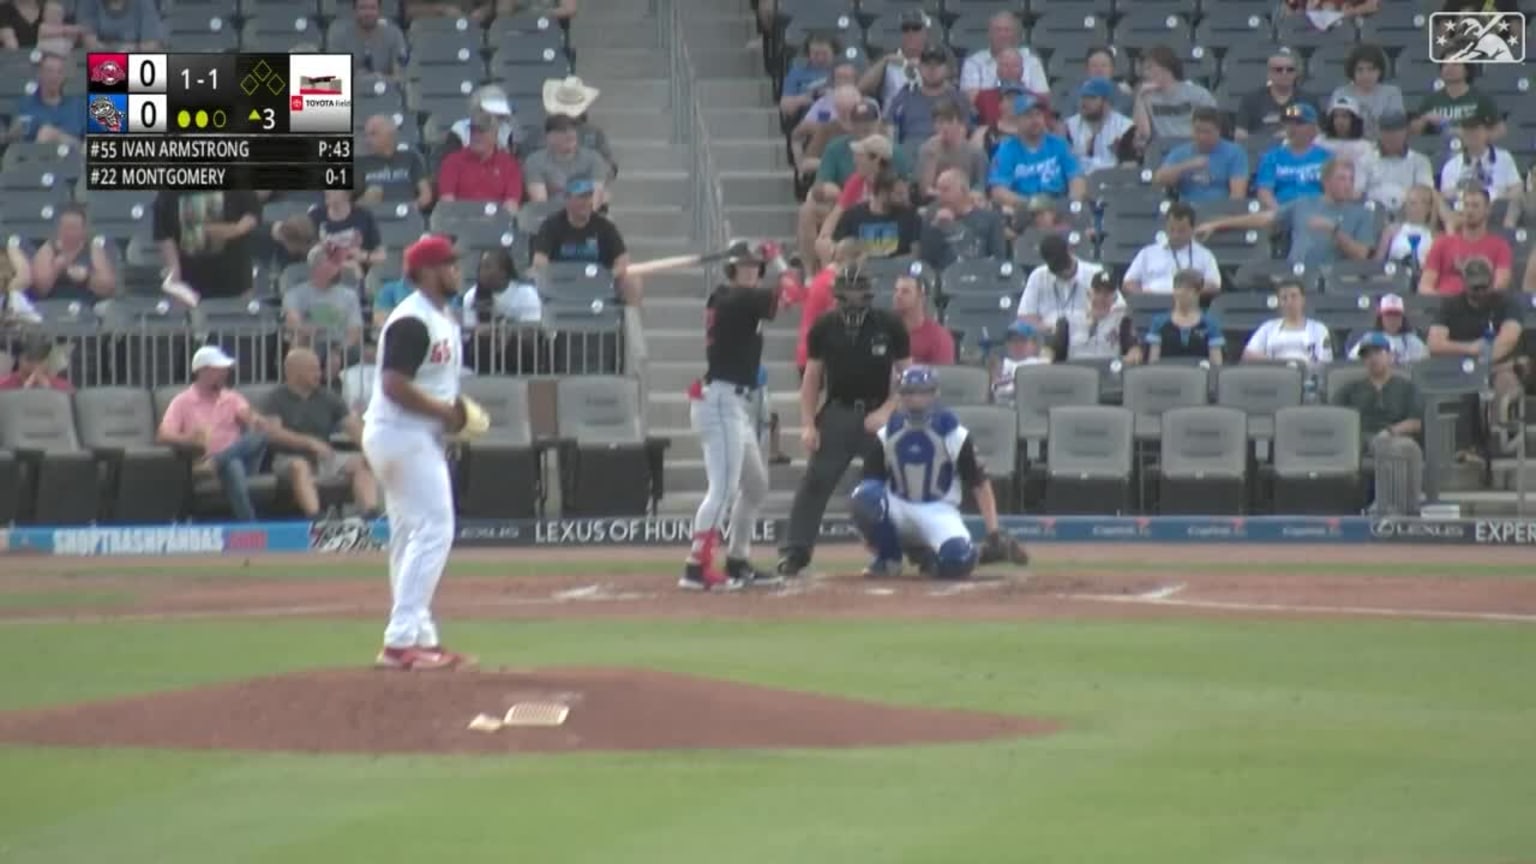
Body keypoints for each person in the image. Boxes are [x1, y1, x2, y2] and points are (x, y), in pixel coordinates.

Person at [363, 235, 474, 671]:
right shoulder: (411, 320)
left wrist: (445, 416)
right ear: (427, 271)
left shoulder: (440, 317)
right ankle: (399, 640)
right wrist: (444, 413)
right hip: (400, 432)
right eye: (448, 263)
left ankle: (420, 636)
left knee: (411, 536)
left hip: (409, 435)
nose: (456, 270)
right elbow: (394, 384)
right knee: (435, 529)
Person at [778, 264, 911, 578]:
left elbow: (909, 376)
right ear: (837, 294)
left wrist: (888, 410)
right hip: (838, 411)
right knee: (816, 481)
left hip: (879, 413)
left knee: (900, 480)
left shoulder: (889, 324)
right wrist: (808, 423)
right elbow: (812, 378)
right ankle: (795, 552)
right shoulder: (824, 326)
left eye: (858, 291)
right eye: (847, 292)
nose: (852, 298)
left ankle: (909, 549)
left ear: (868, 293)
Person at [850, 365, 1018, 579]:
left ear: (935, 393)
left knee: (957, 561)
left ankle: (931, 556)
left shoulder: (954, 434)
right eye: (909, 393)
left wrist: (993, 531)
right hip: (899, 505)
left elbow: (979, 482)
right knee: (863, 496)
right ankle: (888, 559)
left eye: (922, 392)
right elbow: (870, 481)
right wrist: (871, 536)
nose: (915, 399)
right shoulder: (887, 433)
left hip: (939, 509)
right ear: (900, 396)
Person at [682, 242, 783, 591]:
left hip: (734, 403)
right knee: (723, 489)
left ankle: (738, 560)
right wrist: (780, 261)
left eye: (757, 266)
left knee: (755, 486)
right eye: (746, 266)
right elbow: (790, 295)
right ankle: (696, 567)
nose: (753, 271)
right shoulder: (737, 298)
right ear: (732, 269)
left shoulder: (728, 298)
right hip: (721, 401)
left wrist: (768, 260)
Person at [156, 345, 273, 522]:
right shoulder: (182, 401)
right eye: (219, 370)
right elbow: (163, 435)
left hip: (242, 461)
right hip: (203, 461)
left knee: (259, 436)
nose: (225, 374)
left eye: (225, 370)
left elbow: (249, 417)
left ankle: (216, 461)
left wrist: (255, 420)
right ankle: (250, 525)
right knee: (233, 465)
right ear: (202, 371)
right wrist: (188, 438)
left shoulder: (231, 397)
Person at [1196, 159, 1376, 271]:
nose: (1348, 184)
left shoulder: (1362, 213)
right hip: (1296, 275)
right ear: (1326, 181)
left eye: (1351, 179)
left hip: (1335, 277)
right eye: (1341, 178)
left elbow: (1362, 255)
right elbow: (1265, 218)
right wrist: (1219, 224)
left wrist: (1335, 231)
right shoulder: (1304, 204)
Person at [261, 348, 378, 520]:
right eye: (313, 369)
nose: (319, 373)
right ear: (294, 372)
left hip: (325, 457)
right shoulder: (275, 398)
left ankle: (371, 514)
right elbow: (273, 433)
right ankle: (316, 518)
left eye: (318, 369)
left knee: (361, 463)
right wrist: (309, 443)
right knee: (299, 466)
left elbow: (353, 427)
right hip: (287, 458)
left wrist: (372, 450)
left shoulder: (328, 397)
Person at [1426, 256, 1526, 454]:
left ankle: (1501, 441)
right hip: (1460, 369)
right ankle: (1465, 448)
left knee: (1506, 382)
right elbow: (1435, 343)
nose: (1480, 292)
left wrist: (1483, 363)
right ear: (1464, 283)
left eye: (1484, 286)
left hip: (1497, 367)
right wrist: (1470, 348)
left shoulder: (1506, 303)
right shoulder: (1450, 306)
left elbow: (1508, 338)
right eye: (1475, 287)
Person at [1332, 332, 1426, 515]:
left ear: (1390, 356)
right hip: (1360, 438)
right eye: (1367, 355)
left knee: (1405, 448)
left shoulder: (1406, 387)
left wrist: (1391, 431)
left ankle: (1409, 506)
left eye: (1377, 352)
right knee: (1388, 446)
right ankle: (1385, 506)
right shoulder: (1351, 388)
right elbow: (1336, 417)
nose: (1372, 358)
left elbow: (1416, 422)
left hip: (1396, 436)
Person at [530, 176, 640, 304]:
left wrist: (609, 275)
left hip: (597, 281)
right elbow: (540, 261)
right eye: (581, 197)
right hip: (562, 282)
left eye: (589, 197)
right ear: (567, 199)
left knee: (632, 278)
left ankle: (629, 321)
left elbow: (623, 259)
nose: (586, 202)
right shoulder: (551, 225)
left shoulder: (604, 226)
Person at [152, 189, 262, 301]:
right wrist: (174, 269)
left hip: (236, 280)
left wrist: (235, 230)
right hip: (190, 283)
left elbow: (253, 212)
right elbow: (164, 233)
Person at [778, 238, 862, 378]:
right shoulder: (833, 284)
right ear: (853, 259)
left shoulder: (821, 279)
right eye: (861, 263)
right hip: (820, 356)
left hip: (809, 353)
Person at [987, 94, 1087, 211]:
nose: (1035, 120)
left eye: (1038, 115)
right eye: (1028, 116)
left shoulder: (1058, 144)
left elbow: (1076, 178)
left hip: (1059, 204)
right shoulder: (1006, 150)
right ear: (1017, 120)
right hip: (1024, 207)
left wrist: (1073, 202)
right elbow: (998, 191)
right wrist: (1031, 204)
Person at [1418, 186, 1512, 295]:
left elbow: (1500, 286)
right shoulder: (1442, 243)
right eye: (1466, 205)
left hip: (1481, 305)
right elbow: (1425, 286)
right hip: (1445, 305)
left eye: (1475, 206)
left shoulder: (1500, 246)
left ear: (1487, 210)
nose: (1469, 210)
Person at [1016, 233, 1120, 329]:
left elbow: (1119, 308)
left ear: (1069, 250)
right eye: (1058, 270)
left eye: (1066, 266)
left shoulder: (1096, 273)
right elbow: (1025, 316)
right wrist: (1050, 330)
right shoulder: (1038, 276)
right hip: (1049, 336)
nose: (1064, 273)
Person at [1153, 107, 1249, 203]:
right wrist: (1188, 165)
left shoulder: (1235, 153)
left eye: (1207, 132)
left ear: (1218, 131)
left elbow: (1238, 194)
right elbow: (1159, 179)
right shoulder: (1180, 152)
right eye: (1198, 131)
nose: (1202, 137)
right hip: (1186, 210)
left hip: (1219, 209)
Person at [1123, 203, 1222, 296]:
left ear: (1193, 228)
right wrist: (1143, 297)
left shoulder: (1205, 255)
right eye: (1171, 229)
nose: (1176, 235)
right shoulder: (1147, 253)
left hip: (1189, 305)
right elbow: (1128, 283)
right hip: (1152, 304)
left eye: (1181, 230)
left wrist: (1190, 293)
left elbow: (1214, 285)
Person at [919, 167, 1006, 270]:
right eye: (938, 190)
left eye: (945, 190)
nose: (940, 195)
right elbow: (926, 262)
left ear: (964, 191)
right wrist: (935, 230)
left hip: (980, 278)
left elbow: (999, 258)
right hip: (945, 280)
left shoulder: (990, 219)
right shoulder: (932, 220)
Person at [1047, 271, 1141, 364]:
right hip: (1074, 373)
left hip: (1108, 374)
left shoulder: (1122, 322)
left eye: (1106, 294)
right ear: (1089, 294)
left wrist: (1133, 355)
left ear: (1114, 298)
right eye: (1097, 292)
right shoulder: (1068, 321)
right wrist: (1046, 359)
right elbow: (1051, 349)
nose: (1101, 298)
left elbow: (1134, 349)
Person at [28, 205, 115, 304]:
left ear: (84, 229)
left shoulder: (93, 249)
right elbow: (40, 289)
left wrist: (88, 277)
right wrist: (57, 267)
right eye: (66, 227)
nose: (70, 232)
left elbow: (108, 288)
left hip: (88, 303)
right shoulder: (48, 249)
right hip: (54, 304)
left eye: (74, 228)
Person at [1131, 45, 1216, 143]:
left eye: (1149, 67)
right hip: (1162, 150)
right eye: (1144, 69)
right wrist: (1139, 97)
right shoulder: (1147, 97)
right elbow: (1143, 134)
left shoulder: (1198, 94)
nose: (1145, 73)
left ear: (1166, 67)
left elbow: (1213, 126)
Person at [523, 114, 613, 208]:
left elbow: (597, 198)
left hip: (588, 214)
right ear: (549, 137)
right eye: (563, 131)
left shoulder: (593, 158)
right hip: (552, 216)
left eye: (573, 130)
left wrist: (560, 190)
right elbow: (540, 203)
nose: (570, 135)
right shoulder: (535, 161)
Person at [828, 171, 922, 260]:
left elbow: (915, 255)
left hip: (895, 272)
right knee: (825, 276)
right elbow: (839, 250)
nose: (905, 198)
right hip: (859, 271)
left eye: (905, 193)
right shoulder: (853, 215)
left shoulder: (910, 216)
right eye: (899, 194)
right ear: (882, 193)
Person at [1253, 103, 1332, 208]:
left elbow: (1333, 193)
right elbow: (1264, 193)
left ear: (1314, 128)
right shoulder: (1271, 157)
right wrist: (1280, 213)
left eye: (1299, 123)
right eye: (1288, 123)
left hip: (1316, 212)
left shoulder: (1327, 157)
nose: (1292, 127)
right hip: (1281, 212)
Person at [1242, 279, 1334, 367]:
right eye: (1284, 298)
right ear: (1279, 302)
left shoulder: (1319, 329)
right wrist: (1280, 364)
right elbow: (1248, 355)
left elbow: (1325, 362)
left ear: (1303, 299)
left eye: (1294, 296)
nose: (1289, 302)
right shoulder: (1268, 328)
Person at [959, 11, 1048, 102]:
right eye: (998, 30)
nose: (1002, 35)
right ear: (989, 34)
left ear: (1017, 35)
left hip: (1025, 114)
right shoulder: (974, 63)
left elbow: (1043, 98)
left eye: (1007, 30)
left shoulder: (1032, 62)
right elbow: (969, 100)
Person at [1437, 111, 1521, 207]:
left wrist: (1495, 201)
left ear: (1486, 132)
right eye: (1468, 131)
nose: (1473, 135)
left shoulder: (1504, 158)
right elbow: (1446, 197)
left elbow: (1517, 190)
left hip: (1497, 214)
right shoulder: (1452, 165)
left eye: (1477, 130)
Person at [887, 46, 966, 147]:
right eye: (927, 64)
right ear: (919, 67)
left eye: (937, 64)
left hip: (947, 151)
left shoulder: (958, 98)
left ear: (946, 69)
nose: (932, 69)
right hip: (911, 152)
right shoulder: (905, 95)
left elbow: (965, 132)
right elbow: (890, 128)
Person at [1235, 49, 1320, 141]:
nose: (1285, 73)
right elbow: (1240, 133)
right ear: (1269, 74)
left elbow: (1318, 133)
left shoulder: (1308, 100)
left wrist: (1291, 135)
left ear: (1296, 73)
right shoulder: (1251, 99)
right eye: (1279, 70)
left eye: (1290, 70)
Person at [1145, 270, 1226, 365]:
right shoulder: (1159, 322)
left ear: (1198, 292)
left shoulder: (1210, 323)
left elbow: (1216, 363)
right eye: (1178, 288)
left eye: (1188, 290)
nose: (1182, 294)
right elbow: (1153, 361)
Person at [1363, 112, 1435, 215]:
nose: (1391, 136)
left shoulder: (1420, 161)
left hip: (1408, 214)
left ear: (1405, 132)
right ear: (1380, 133)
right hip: (1372, 214)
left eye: (1396, 131)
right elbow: (1358, 193)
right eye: (1387, 131)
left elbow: (1425, 193)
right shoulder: (1366, 160)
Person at [356, 114, 433, 210]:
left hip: (406, 218)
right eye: (366, 135)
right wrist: (366, 201)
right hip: (374, 218)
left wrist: (412, 207)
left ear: (389, 135)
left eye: (373, 134)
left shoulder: (410, 158)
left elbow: (426, 195)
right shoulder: (360, 163)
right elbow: (345, 203)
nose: (367, 140)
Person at [1328, 44, 1404, 138]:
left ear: (1379, 71)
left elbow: (1395, 128)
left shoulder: (1392, 93)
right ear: (1352, 72)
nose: (1366, 75)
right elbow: (1334, 130)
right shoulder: (1340, 94)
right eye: (1360, 70)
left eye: (1371, 69)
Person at [916, 102, 988, 199]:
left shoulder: (976, 153)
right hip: (937, 202)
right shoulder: (927, 150)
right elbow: (924, 191)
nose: (944, 127)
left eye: (949, 122)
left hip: (968, 202)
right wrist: (932, 157)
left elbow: (980, 187)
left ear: (960, 123)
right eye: (939, 122)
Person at [1064, 78, 1134, 176]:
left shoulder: (1124, 126)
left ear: (1106, 101)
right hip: (1079, 180)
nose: (1085, 102)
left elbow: (1131, 164)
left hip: (1113, 180)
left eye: (1092, 98)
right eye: (1083, 97)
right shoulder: (1069, 126)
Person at [1411, 62, 1502, 138]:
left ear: (1467, 70)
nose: (1449, 68)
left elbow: (1500, 129)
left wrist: (1474, 136)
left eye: (1455, 64)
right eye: (1445, 64)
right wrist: (1425, 119)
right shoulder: (1431, 99)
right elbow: (1414, 131)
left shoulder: (1481, 98)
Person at [461, 247, 542, 328]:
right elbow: (471, 332)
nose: (481, 271)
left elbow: (531, 330)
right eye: (481, 267)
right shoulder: (471, 296)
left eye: (487, 267)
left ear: (504, 272)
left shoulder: (527, 294)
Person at [324, 0, 407, 78]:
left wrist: (378, 79)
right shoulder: (339, 34)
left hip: (385, 88)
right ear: (354, 11)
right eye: (363, 8)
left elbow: (399, 74)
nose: (368, 13)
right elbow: (336, 74)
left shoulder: (394, 34)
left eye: (372, 8)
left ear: (380, 11)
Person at [14, 52, 83, 145]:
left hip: (73, 156)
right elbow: (13, 138)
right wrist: (13, 134)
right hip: (32, 156)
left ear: (64, 77)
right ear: (39, 74)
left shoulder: (77, 106)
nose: (54, 76)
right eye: (49, 71)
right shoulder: (25, 105)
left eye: (59, 72)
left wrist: (57, 136)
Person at [1318, 94, 1375, 197]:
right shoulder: (1320, 142)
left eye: (1345, 116)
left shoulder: (1365, 146)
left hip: (1355, 195)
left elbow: (1365, 173)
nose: (1339, 121)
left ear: (1354, 120)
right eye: (1336, 116)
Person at [891, 273, 954, 365]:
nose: (897, 296)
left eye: (905, 292)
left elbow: (941, 376)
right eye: (896, 290)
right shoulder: (885, 331)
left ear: (921, 297)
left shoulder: (938, 337)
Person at [1346, 294, 1429, 364]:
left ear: (1402, 319)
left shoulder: (1412, 341)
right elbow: (1352, 363)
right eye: (1388, 315)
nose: (1392, 319)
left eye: (1396, 315)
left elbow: (1424, 365)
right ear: (1381, 318)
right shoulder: (1369, 339)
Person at [1375, 185, 1440, 268]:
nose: (1418, 207)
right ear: (1405, 206)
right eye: (1413, 203)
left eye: (1423, 203)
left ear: (1429, 207)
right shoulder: (1392, 230)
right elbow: (1378, 261)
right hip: (1396, 275)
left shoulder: (1435, 235)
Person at [990, 320, 1048, 404]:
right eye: (1012, 341)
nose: (1017, 344)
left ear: (1035, 344)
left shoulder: (1044, 366)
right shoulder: (999, 365)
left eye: (1022, 340)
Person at [0, 336, 70, 391]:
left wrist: (48, 390)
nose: (34, 365)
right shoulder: (3, 385)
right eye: (29, 360)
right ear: (19, 359)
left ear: (46, 361)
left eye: (40, 360)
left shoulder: (64, 387)